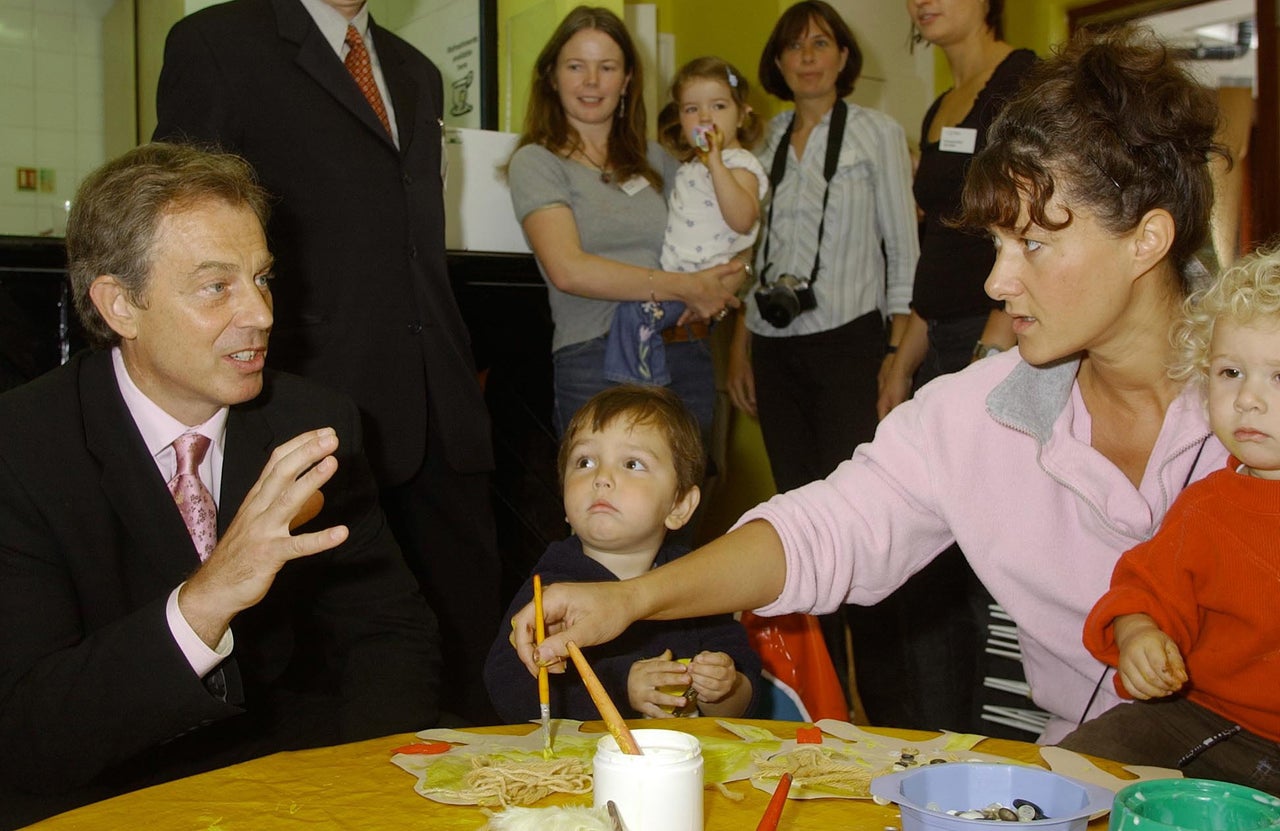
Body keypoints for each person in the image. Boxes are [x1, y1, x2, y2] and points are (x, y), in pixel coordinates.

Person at [509, 25, 1230, 746]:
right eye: (997, 244)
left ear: (1148, 238)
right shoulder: (974, 413)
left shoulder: (1258, 400)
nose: (997, 280)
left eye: (1033, 244)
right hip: (1091, 773)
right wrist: (631, 600)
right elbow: (821, 530)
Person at [0, 143, 441, 828]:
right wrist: (205, 601)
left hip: (286, 790)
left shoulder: (314, 423)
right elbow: (26, 731)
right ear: (120, 304)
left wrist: (343, 799)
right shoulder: (22, 447)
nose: (261, 314)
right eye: (216, 287)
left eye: (262, 278)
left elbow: (390, 639)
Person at [152, 0, 501, 724]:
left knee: (468, 672)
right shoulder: (218, 43)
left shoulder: (414, 73)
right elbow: (178, 222)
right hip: (309, 407)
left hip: (440, 409)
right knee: (337, 678)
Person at [724, 0, 919, 712]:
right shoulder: (765, 138)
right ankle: (826, 709)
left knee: (866, 530)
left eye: (821, 43)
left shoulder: (876, 134)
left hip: (850, 347)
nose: (807, 56)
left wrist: (897, 351)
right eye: (793, 46)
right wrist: (742, 345)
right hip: (777, 353)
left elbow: (905, 249)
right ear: (776, 63)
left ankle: (892, 711)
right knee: (806, 530)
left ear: (843, 57)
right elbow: (751, 258)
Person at [859, 0, 1038, 733]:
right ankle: (938, 746)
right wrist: (904, 355)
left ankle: (993, 747)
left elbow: (1028, 221)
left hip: (1006, 336)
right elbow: (939, 249)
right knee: (929, 558)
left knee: (982, 564)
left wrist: (994, 349)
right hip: (942, 341)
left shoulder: (1024, 81)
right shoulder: (939, 106)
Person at [1057, 247, 1280, 796]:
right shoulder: (1207, 507)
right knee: (1073, 771)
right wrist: (1141, 636)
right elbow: (1143, 592)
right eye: (1230, 372)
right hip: (1205, 720)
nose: (1248, 399)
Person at [506, 5, 745, 437]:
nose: (592, 82)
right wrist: (687, 286)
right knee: (607, 502)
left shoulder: (659, 160)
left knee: (684, 502)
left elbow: (733, 234)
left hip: (683, 350)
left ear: (628, 79)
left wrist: (724, 283)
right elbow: (568, 269)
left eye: (607, 67)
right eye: (576, 66)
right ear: (551, 77)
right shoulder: (536, 163)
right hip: (595, 360)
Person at [484, 385, 760, 721]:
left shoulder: (695, 585)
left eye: (632, 463)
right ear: (565, 504)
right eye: (584, 462)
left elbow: (744, 698)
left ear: (679, 505)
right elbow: (508, 690)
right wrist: (619, 688)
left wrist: (722, 688)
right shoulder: (549, 592)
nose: (601, 478)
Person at [603, 56, 767, 388]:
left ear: (743, 114)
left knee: (634, 317)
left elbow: (742, 219)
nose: (705, 117)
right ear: (679, 118)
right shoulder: (688, 166)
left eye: (718, 106)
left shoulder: (740, 165)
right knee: (633, 318)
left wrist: (717, 164)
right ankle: (640, 384)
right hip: (676, 279)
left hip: (702, 279)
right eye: (692, 109)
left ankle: (641, 389)